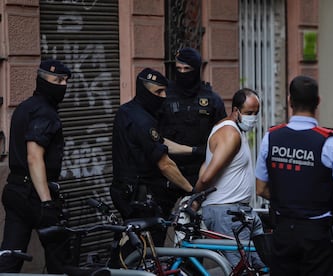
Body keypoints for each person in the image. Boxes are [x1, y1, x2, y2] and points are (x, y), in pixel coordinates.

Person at [255, 75, 333, 276]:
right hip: (316, 233)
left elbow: (260, 188)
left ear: (289, 101)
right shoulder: (330, 142)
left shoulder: (271, 137)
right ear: (318, 102)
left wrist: (285, 199)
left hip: (282, 230)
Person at [0, 59, 71, 273]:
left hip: (14, 189)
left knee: (10, 257)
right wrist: (47, 202)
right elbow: (34, 157)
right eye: (57, 80)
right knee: (60, 258)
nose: (62, 85)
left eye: (65, 81)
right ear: (41, 80)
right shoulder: (45, 112)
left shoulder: (24, 107)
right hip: (34, 195)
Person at [110, 68, 193, 246]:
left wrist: (192, 150)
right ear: (143, 90)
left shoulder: (126, 111)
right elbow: (165, 164)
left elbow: (159, 142)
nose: (163, 96)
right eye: (158, 92)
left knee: (133, 243)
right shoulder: (143, 120)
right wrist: (190, 190)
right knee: (150, 248)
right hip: (139, 197)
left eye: (164, 91)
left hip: (124, 190)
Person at [194, 88, 265, 269]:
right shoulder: (230, 134)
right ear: (235, 111)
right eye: (249, 113)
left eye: (256, 113)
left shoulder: (235, 131)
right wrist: (194, 199)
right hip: (226, 212)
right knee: (240, 269)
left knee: (261, 265)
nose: (253, 118)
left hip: (240, 212)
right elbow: (208, 175)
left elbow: (205, 164)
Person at [158, 47, 227, 203]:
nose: (182, 73)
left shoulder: (212, 100)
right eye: (179, 69)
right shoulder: (165, 96)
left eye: (187, 69)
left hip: (203, 174)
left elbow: (223, 137)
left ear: (196, 70)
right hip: (169, 173)